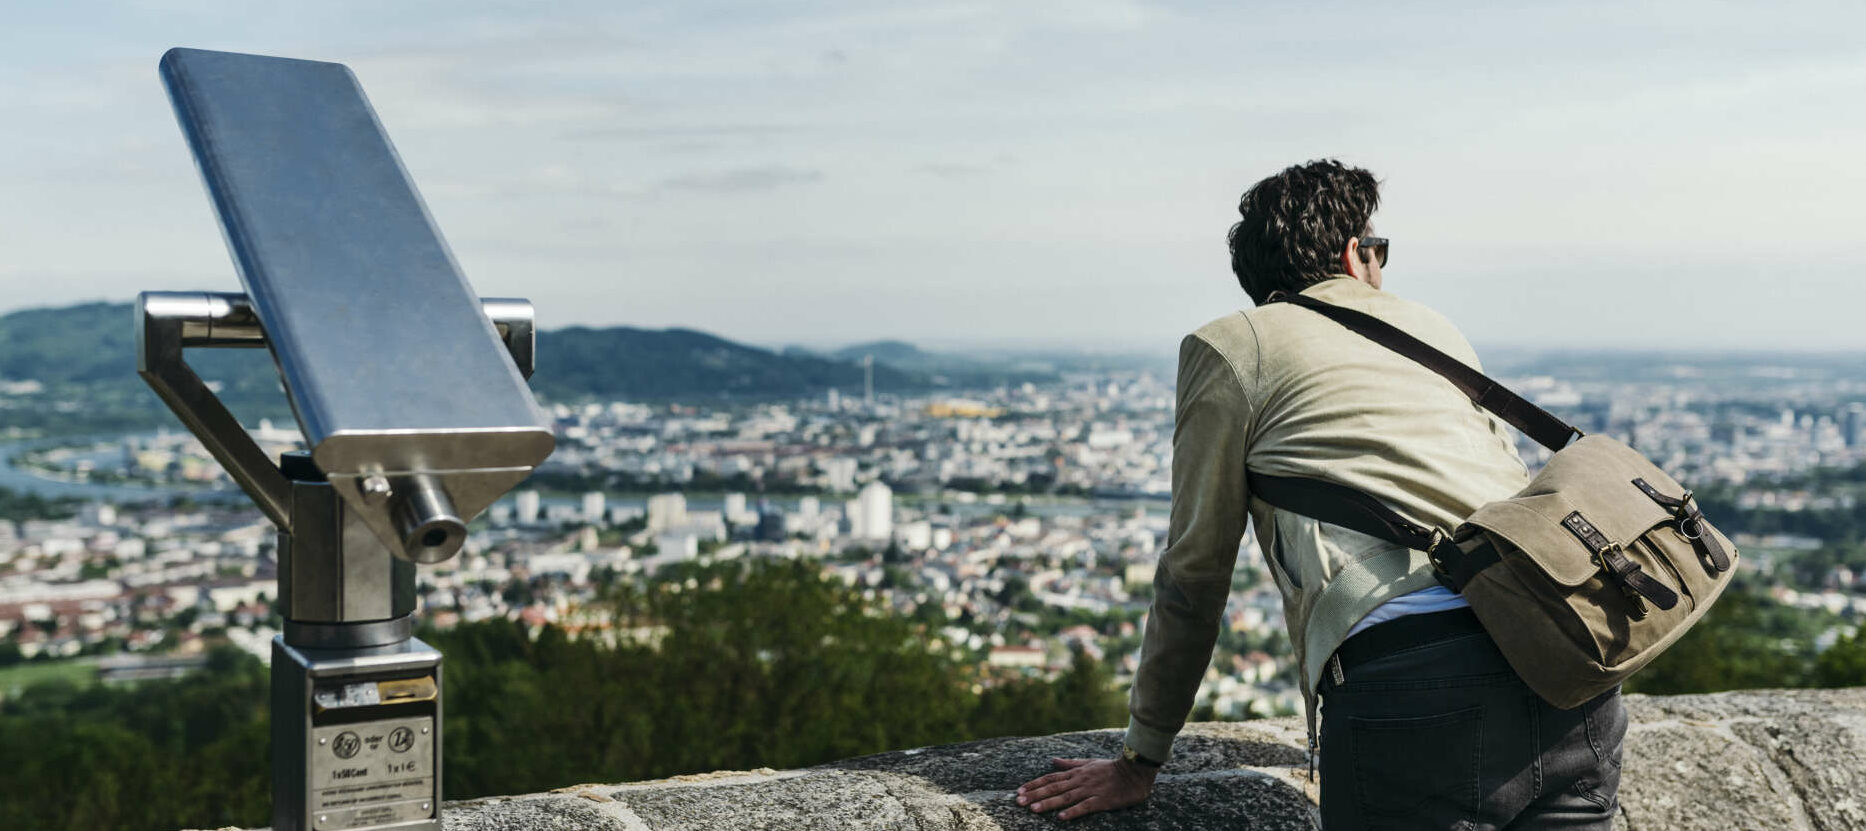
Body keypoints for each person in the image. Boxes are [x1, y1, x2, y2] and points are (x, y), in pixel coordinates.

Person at [1015, 159, 1626, 829]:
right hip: (1569, 669)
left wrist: (1141, 757)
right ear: (1351, 255)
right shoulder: (1433, 329)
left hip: (1414, 684)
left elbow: (1194, 572)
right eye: (1379, 251)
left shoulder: (1234, 345)